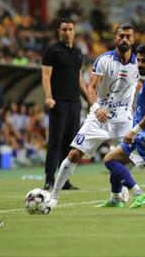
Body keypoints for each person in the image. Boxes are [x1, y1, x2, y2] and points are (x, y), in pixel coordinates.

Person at [48, 23, 140, 209]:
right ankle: (54, 196)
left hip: (123, 120)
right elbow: (91, 88)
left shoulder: (139, 63)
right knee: (74, 154)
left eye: (128, 36)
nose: (124, 39)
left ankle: (117, 193)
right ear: (115, 39)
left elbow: (143, 86)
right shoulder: (103, 60)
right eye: (121, 36)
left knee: (130, 158)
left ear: (133, 40)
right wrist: (96, 107)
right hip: (99, 118)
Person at [98, 43, 145, 208]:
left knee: (109, 160)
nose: (140, 65)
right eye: (138, 61)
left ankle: (139, 194)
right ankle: (115, 198)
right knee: (118, 163)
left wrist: (135, 131)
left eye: (144, 61)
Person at [41, 18, 88, 190]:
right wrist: (48, 97)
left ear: (74, 31)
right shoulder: (52, 50)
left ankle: (65, 180)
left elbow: (79, 79)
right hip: (58, 102)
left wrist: (90, 100)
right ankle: (49, 179)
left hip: (75, 103)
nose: (67, 32)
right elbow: (46, 76)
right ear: (59, 31)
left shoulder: (77, 52)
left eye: (70, 29)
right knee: (55, 141)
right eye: (64, 29)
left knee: (70, 144)